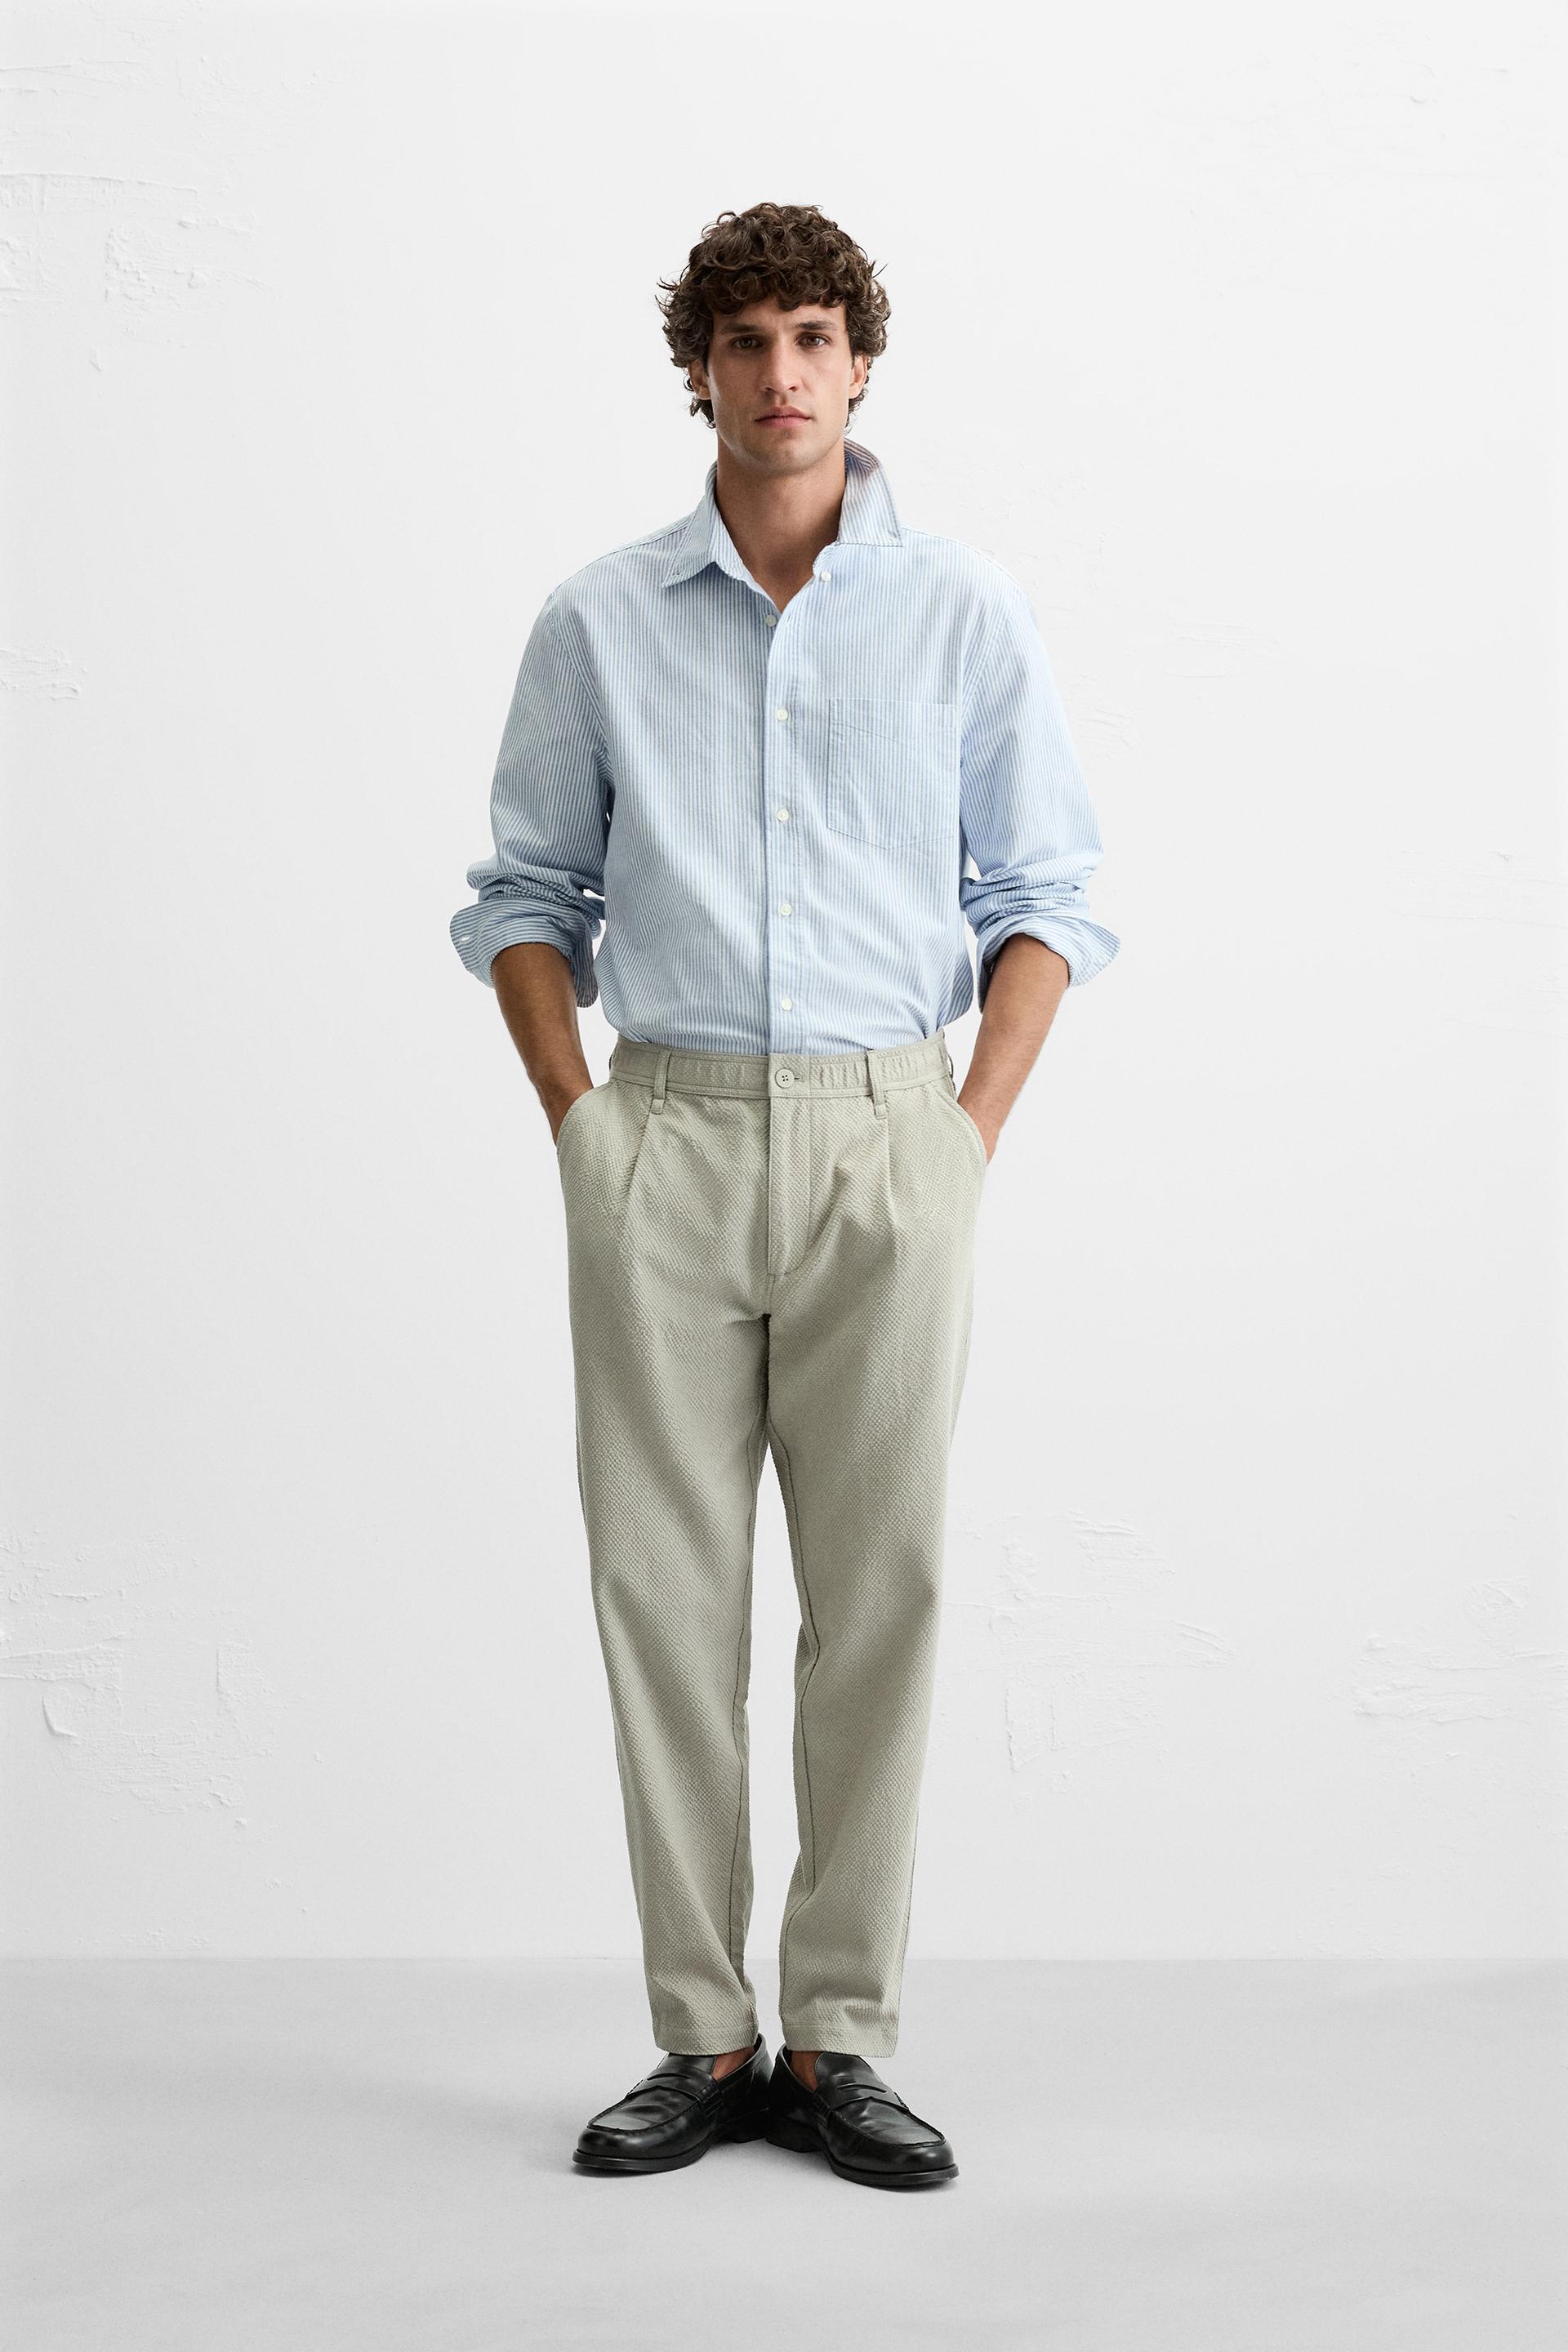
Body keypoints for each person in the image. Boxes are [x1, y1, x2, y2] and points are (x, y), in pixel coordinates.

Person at [449, 201, 1119, 2192]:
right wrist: (583, 1123)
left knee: (880, 1599)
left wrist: (961, 1133)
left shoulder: (962, 610)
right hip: (660, 1136)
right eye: (743, 340)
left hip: (885, 1137)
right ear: (699, 371)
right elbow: (524, 895)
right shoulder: (599, 619)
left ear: (860, 359)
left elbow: (1049, 897)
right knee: (662, 1599)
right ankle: (702, 2035)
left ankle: (842, 2038)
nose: (780, 373)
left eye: (813, 334)